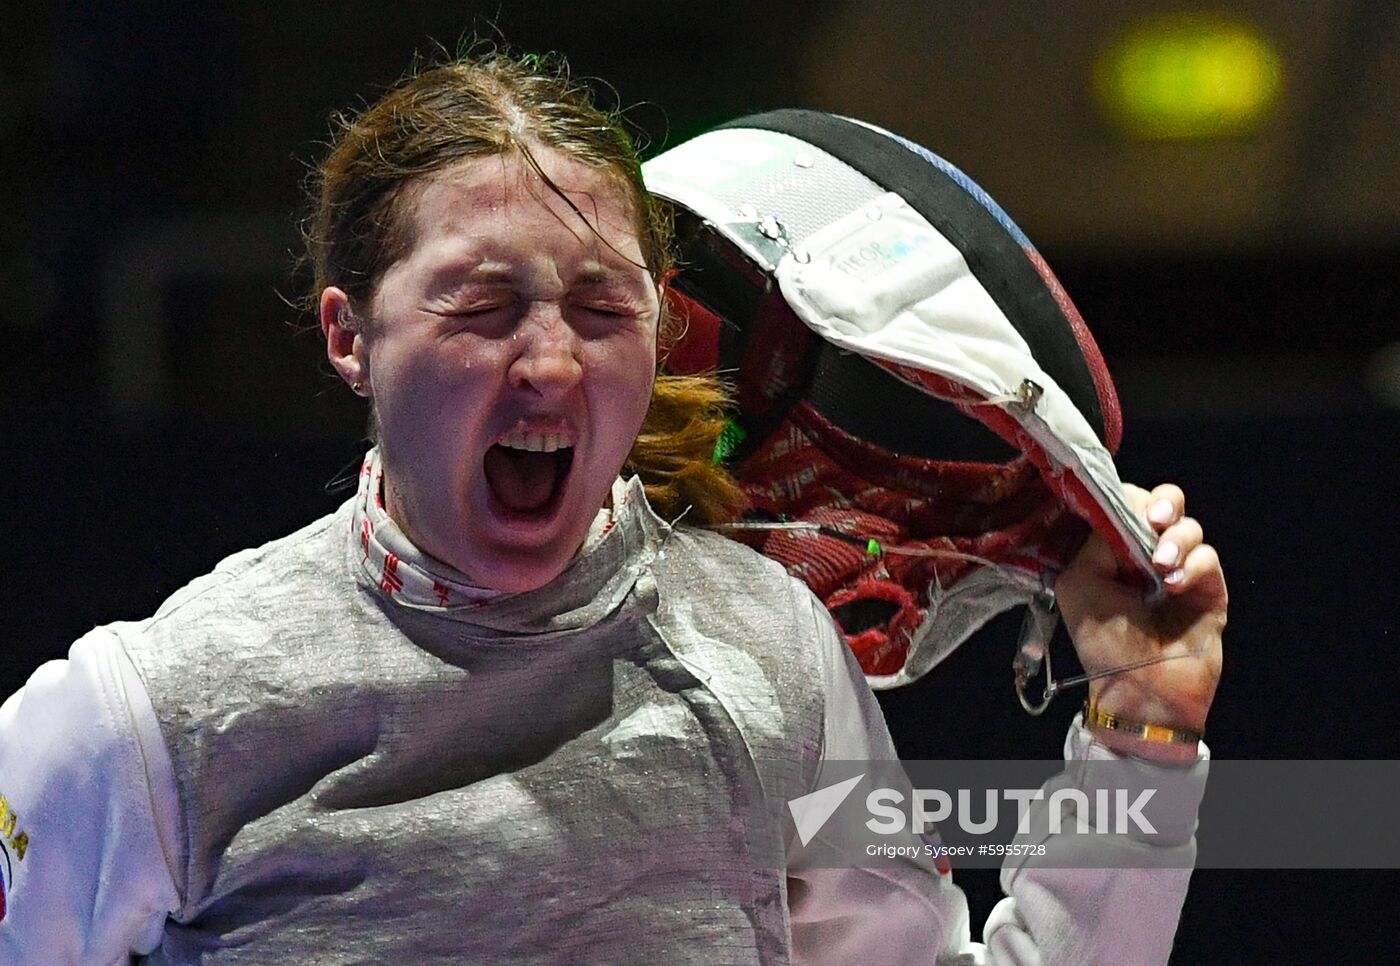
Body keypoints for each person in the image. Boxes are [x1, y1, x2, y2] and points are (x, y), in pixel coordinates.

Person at [0, 50, 1224, 964]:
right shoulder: (155, 715)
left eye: (600, 307)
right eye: (480, 306)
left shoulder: (770, 652)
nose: (548, 365)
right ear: (350, 337)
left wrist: (1142, 732)